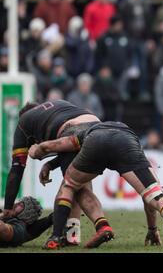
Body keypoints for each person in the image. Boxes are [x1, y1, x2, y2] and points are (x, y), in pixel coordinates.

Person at [28, 121, 163, 250]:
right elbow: (147, 201)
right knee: (156, 196)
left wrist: (39, 152)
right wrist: (152, 229)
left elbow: (55, 146)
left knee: (68, 186)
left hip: (95, 143)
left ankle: (54, 238)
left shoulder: (85, 131)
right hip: (126, 144)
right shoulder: (127, 133)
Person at [2, 100, 111, 248]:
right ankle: (73, 236)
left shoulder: (25, 122)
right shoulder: (57, 108)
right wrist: (49, 164)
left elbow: (17, 168)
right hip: (98, 130)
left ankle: (90, 229)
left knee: (71, 188)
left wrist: (8, 208)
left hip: (74, 132)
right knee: (79, 185)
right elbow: (66, 147)